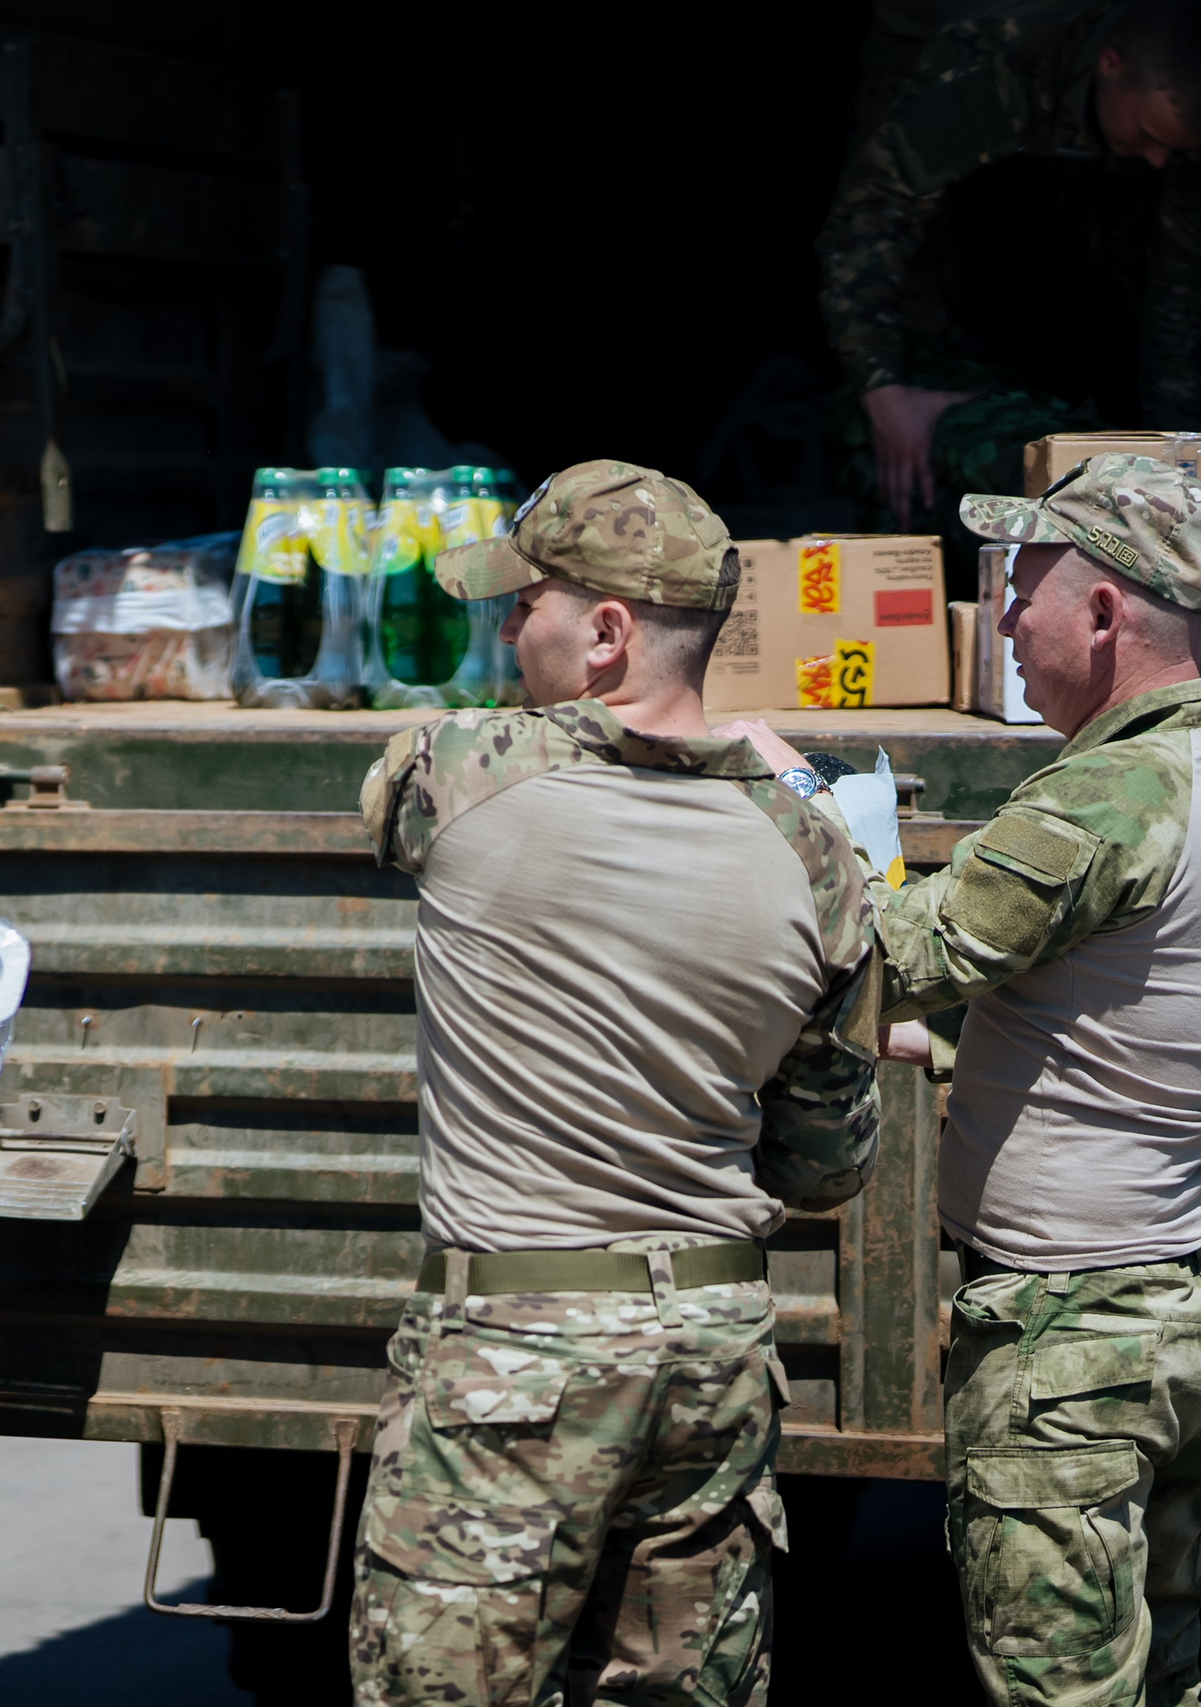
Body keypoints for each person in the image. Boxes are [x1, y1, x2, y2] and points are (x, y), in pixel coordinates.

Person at [351, 461, 880, 1707]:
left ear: (604, 633)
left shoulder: (460, 767)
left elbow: (396, 800)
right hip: (712, 1355)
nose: (504, 630)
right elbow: (824, 1166)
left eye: (523, 604)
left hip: (513, 1360)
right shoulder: (815, 850)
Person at [725, 452, 1201, 1707]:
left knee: (1061, 1688)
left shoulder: (1115, 791)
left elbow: (891, 954)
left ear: (1105, 615)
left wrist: (789, 792)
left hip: (1072, 1333)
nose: (1000, 620)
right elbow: (1133, 1010)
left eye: (1023, 591)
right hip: (1172, 1301)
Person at [819, 0, 1201, 539]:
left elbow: (1178, 294)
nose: (1159, 158)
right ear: (1111, 63)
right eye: (1146, 134)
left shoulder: (1171, 121)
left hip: (1067, 157)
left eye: (1173, 147)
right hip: (931, 40)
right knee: (918, 310)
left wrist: (1177, 453)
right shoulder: (992, 65)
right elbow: (872, 217)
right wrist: (884, 391)